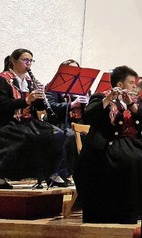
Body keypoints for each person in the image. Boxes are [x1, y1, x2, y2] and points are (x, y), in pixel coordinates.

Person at [75, 65, 142, 223]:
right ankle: (127, 212)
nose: (135, 86)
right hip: (108, 144)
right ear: (120, 85)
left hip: (131, 143)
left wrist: (131, 105)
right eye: (131, 83)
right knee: (132, 161)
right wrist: (109, 99)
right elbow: (88, 116)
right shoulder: (100, 96)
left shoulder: (134, 100)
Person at [0, 49, 65, 189]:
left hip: (27, 121)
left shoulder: (30, 81)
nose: (28, 64)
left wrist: (41, 97)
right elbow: (3, 104)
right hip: (8, 121)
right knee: (30, 137)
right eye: (25, 60)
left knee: (57, 133)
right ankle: (2, 175)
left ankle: (50, 172)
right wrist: (27, 100)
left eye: (30, 61)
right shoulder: (3, 79)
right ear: (13, 61)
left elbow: (38, 106)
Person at [45, 59, 89, 187]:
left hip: (78, 124)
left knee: (93, 137)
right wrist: (72, 104)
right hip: (59, 123)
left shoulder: (82, 88)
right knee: (69, 136)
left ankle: (84, 174)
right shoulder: (53, 86)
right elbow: (51, 106)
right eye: (71, 70)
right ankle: (62, 173)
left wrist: (87, 103)